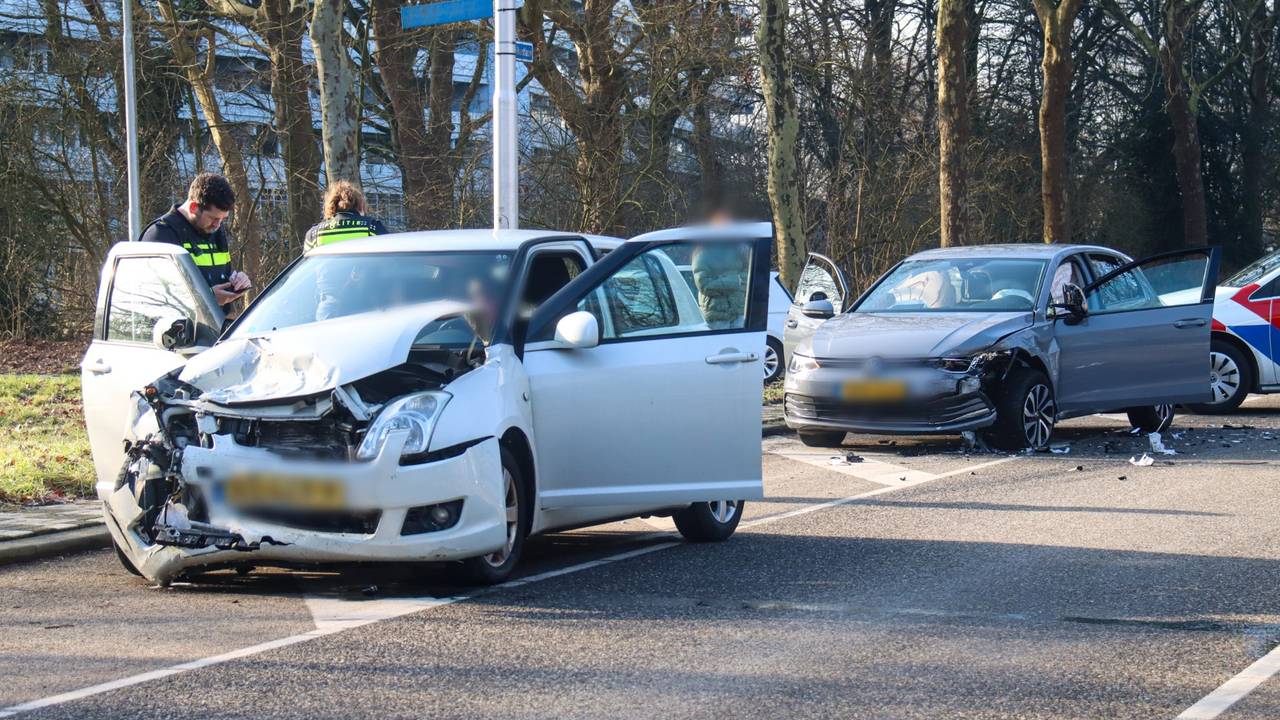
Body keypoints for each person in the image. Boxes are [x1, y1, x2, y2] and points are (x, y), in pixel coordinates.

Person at [139, 173, 251, 308]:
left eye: (223, 219)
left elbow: (221, 277)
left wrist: (236, 282)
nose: (217, 225)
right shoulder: (160, 235)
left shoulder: (215, 230)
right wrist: (208, 299)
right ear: (193, 208)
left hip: (219, 321)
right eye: (213, 218)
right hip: (178, 322)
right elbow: (151, 296)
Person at [303, 181, 388, 252]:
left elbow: (306, 264)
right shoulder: (371, 227)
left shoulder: (314, 234)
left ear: (329, 206)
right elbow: (390, 257)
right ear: (360, 205)